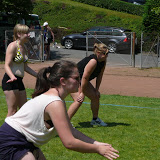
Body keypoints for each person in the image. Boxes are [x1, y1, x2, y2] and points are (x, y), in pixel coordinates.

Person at [0, 60, 119, 160]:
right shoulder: (55, 102)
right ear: (63, 81)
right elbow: (69, 142)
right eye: (77, 78)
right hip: (10, 142)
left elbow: (72, 131)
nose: (80, 81)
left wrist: (96, 143)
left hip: (25, 142)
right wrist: (97, 149)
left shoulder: (57, 100)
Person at [68, 43, 109, 126]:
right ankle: (65, 123)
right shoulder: (93, 61)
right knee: (78, 100)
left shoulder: (103, 62)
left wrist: (96, 90)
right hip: (71, 78)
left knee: (95, 96)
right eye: (105, 54)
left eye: (107, 54)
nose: (106, 56)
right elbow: (85, 77)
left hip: (80, 80)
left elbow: (100, 76)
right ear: (98, 53)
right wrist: (82, 92)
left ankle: (95, 119)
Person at [1, 24, 37, 117]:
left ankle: (19, 131)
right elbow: (6, 65)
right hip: (10, 80)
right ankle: (4, 131)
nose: (29, 35)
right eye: (26, 33)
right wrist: (12, 77)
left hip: (19, 80)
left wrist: (38, 76)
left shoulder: (24, 47)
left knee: (24, 111)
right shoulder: (12, 46)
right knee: (12, 111)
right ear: (19, 34)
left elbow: (25, 67)